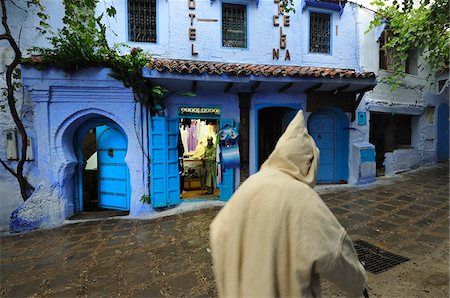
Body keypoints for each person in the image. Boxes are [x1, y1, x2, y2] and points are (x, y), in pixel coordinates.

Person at [209, 111, 367, 297]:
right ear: (309, 164)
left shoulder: (250, 184)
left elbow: (218, 229)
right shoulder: (301, 197)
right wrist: (358, 283)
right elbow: (335, 252)